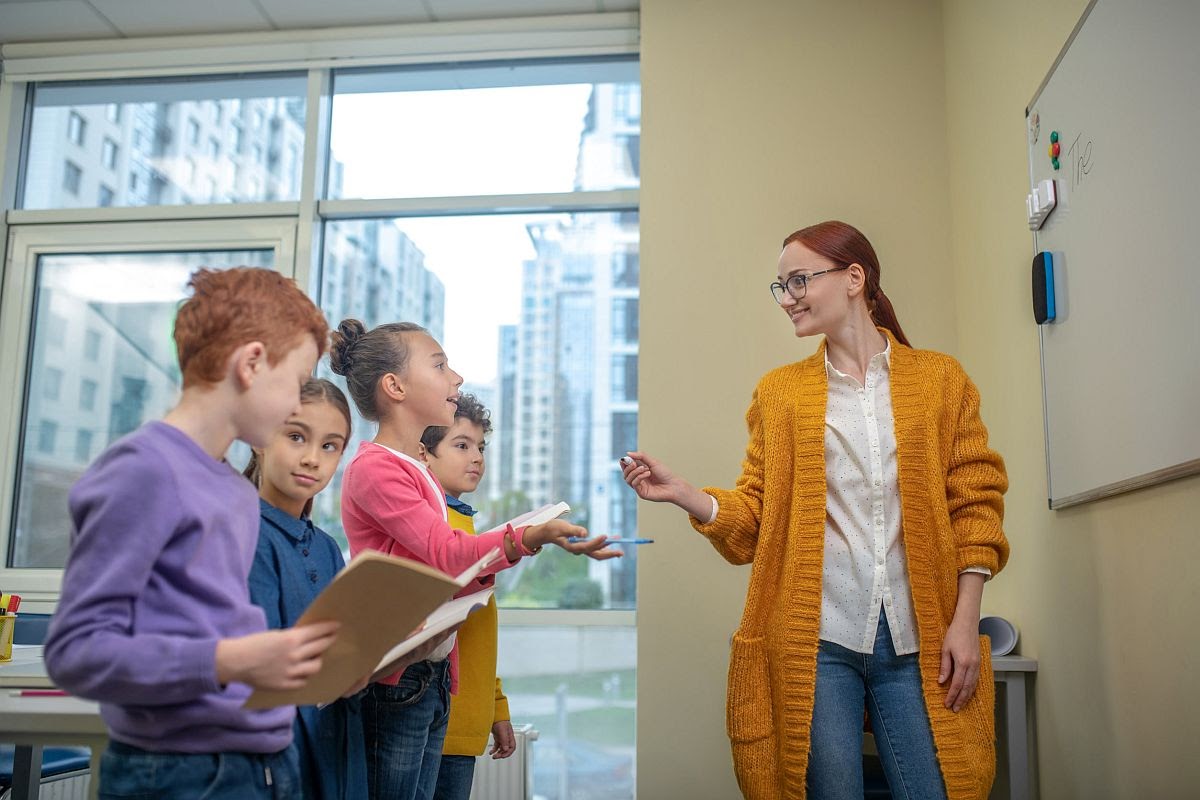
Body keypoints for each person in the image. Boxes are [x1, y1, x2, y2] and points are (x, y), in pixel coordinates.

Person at [621, 221, 1009, 800]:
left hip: (919, 640)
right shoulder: (779, 395)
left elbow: (975, 505)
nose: (788, 298)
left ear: (855, 279)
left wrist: (963, 619)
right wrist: (686, 495)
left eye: (799, 280)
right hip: (818, 643)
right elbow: (754, 521)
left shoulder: (941, 381)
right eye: (780, 287)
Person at [45, 267, 342, 800]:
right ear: (251, 364)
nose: (297, 404)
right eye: (296, 384)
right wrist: (231, 661)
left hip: (266, 762)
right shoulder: (144, 470)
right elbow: (77, 651)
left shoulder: (230, 489)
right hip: (182, 772)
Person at [328, 319, 620, 800]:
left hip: (432, 672)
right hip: (399, 679)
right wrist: (527, 536)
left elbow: (451, 574)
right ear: (395, 387)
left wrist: (537, 538)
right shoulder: (375, 469)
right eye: (440, 365)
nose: (456, 378)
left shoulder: (415, 471)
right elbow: (448, 556)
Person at [419, 393, 516, 800]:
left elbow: (474, 628)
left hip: (466, 721)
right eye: (462, 445)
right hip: (435, 716)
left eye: (481, 446)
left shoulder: (467, 527)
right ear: (425, 455)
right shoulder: (433, 526)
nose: (477, 457)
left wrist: (497, 707)